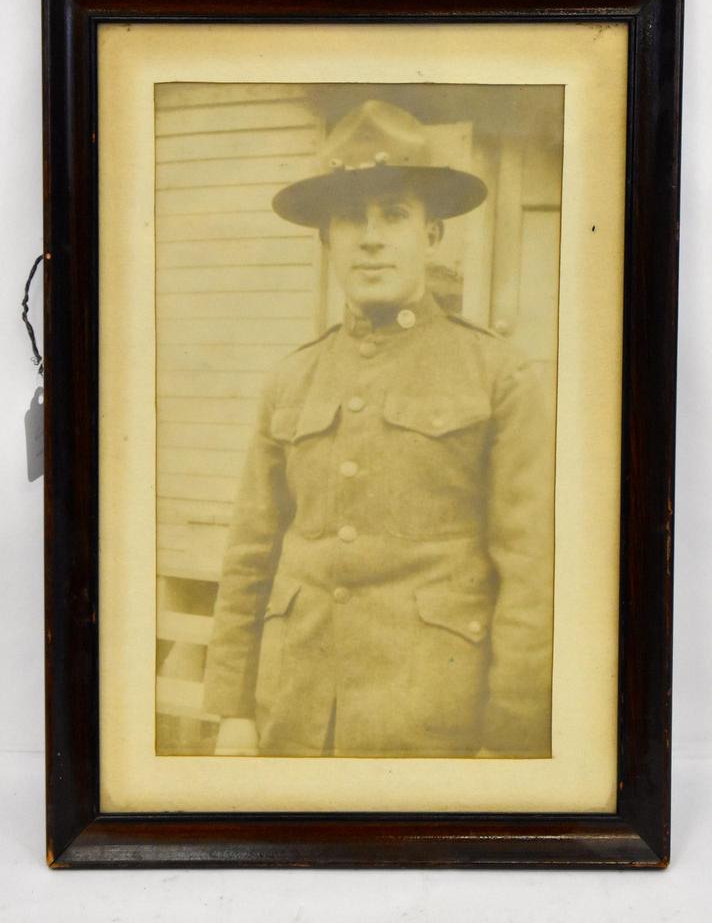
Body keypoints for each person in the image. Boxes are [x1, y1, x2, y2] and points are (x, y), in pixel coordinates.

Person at [203, 99, 554, 758]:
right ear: (326, 240)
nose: (370, 237)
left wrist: (509, 740)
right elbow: (250, 552)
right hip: (294, 716)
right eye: (349, 217)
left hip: (432, 722)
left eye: (394, 215)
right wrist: (233, 710)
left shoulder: (496, 374)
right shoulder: (291, 378)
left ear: (431, 236)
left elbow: (530, 574)